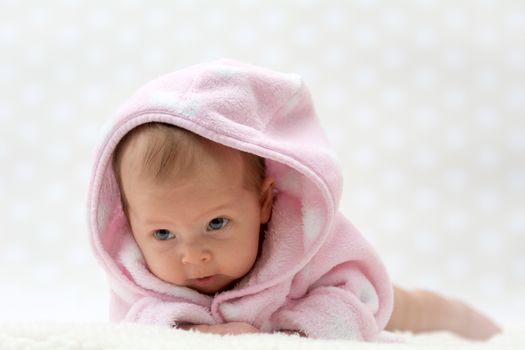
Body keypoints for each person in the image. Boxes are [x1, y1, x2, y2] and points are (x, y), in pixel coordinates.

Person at [88, 59, 501, 341]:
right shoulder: (140, 269)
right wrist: (194, 333)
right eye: (162, 233)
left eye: (216, 224)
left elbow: (351, 299)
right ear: (129, 221)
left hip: (315, 290)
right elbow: (137, 324)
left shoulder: (301, 238)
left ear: (264, 203)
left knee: (418, 308)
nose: (193, 256)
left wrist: (293, 334)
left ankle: (492, 328)